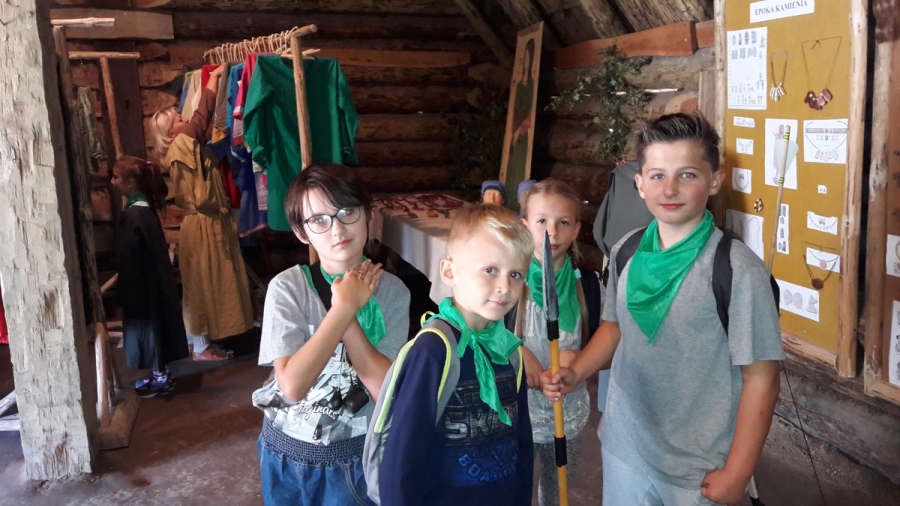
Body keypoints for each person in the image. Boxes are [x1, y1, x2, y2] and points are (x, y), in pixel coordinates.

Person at [542, 113, 784, 506]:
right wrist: (578, 370)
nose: (669, 189)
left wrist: (738, 472)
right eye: (657, 176)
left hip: (696, 467)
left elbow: (761, 377)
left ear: (715, 180)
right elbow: (615, 327)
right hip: (625, 447)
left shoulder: (737, 270)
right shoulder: (626, 250)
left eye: (687, 174)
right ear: (640, 184)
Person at [252, 163, 410, 505]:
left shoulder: (394, 292)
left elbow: (384, 390)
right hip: (286, 456)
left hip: (358, 457)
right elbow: (292, 386)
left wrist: (346, 310)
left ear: (368, 216)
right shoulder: (287, 288)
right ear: (301, 232)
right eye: (319, 220)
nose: (337, 228)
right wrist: (343, 307)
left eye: (347, 212)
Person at [378, 204, 534, 506]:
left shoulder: (508, 351)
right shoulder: (433, 351)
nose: (504, 287)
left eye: (515, 274)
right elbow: (403, 458)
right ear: (449, 272)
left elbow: (521, 444)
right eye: (490, 270)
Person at [150, 64, 254, 361]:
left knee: (208, 282)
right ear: (171, 133)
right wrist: (214, 79)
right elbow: (200, 119)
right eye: (179, 120)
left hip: (210, 223)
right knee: (201, 286)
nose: (185, 120)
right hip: (202, 226)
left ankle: (202, 342)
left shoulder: (189, 148)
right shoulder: (182, 145)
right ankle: (200, 347)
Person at [518, 179, 591, 506]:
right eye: (542, 221)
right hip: (516, 419)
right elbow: (478, 331)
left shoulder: (589, 287)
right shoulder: (507, 283)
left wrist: (579, 359)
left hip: (568, 417)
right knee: (513, 488)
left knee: (557, 490)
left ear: (576, 229)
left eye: (563, 222)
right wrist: (517, 350)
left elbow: (605, 347)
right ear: (525, 226)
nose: (552, 232)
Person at [111, 156, 190, 397]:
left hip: (144, 285)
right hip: (150, 282)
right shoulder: (141, 209)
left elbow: (132, 255)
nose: (113, 182)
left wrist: (125, 289)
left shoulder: (136, 213)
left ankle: (161, 377)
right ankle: (160, 373)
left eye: (116, 177)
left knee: (152, 329)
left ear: (130, 182)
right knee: (154, 328)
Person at [504, 38, 537, 210]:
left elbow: (528, 115)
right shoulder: (517, 86)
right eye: (523, 61)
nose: (525, 65)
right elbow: (516, 113)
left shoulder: (532, 85)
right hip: (515, 138)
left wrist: (522, 125)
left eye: (528, 61)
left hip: (523, 139)